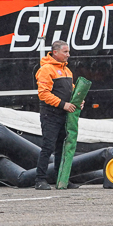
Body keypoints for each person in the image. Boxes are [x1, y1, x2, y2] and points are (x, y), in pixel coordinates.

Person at [34, 40, 80, 190]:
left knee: (62, 147)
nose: (68, 55)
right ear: (55, 52)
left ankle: (61, 179)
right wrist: (63, 104)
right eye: (65, 52)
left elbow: (72, 90)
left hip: (63, 115)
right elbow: (43, 94)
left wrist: (78, 101)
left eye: (68, 51)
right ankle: (40, 180)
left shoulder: (67, 70)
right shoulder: (46, 69)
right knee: (48, 147)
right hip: (50, 114)